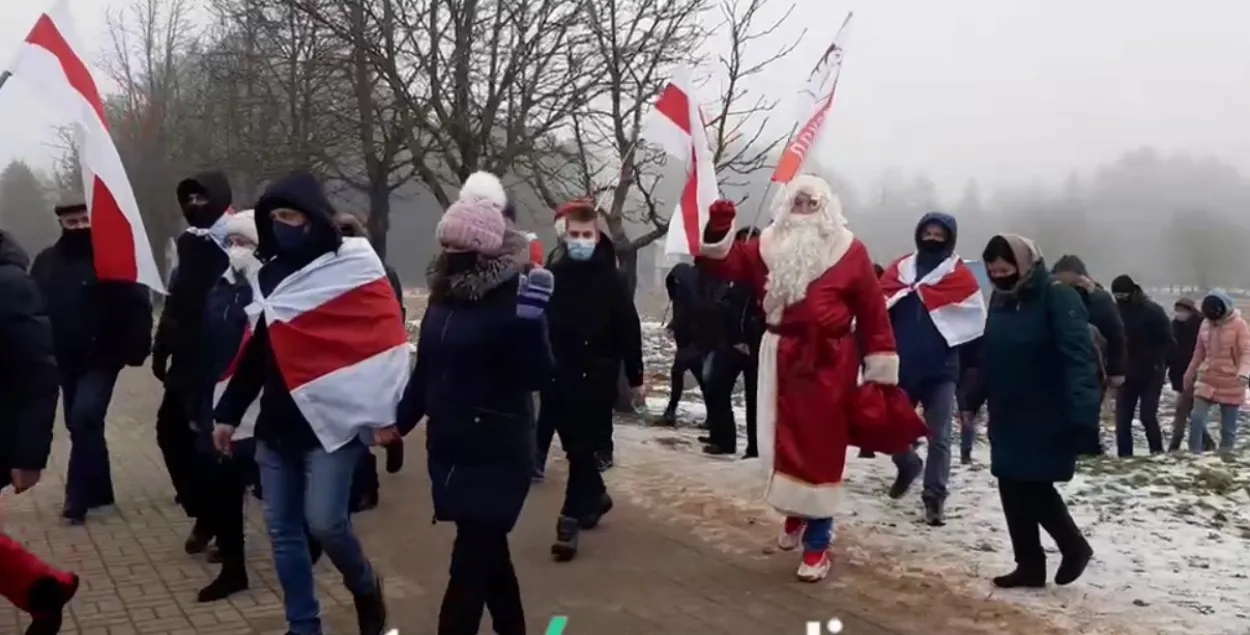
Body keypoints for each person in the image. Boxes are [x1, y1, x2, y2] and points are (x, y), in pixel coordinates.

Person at [213, 171, 402, 635]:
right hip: (277, 424)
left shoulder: (353, 265)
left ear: (313, 218)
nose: (281, 224)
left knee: (326, 523)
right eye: (273, 216)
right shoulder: (270, 274)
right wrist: (228, 414)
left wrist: (388, 414)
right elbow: (258, 350)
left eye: (289, 215)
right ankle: (304, 625)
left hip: (332, 423)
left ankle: (363, 585)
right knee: (281, 532)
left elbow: (382, 340)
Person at [696, 180, 902, 582]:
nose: (805, 208)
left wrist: (880, 367)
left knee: (820, 446)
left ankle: (818, 542)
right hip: (777, 354)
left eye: (813, 202)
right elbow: (721, 263)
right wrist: (720, 226)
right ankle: (795, 512)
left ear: (828, 208)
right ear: (785, 206)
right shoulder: (768, 244)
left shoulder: (850, 249)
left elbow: (874, 311)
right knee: (779, 439)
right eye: (798, 201)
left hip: (828, 361)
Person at [396, 179, 554, 635]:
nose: (450, 250)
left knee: (467, 569)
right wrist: (397, 425)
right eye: (445, 242)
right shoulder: (443, 300)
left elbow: (538, 377)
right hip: (452, 448)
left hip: (499, 451)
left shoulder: (516, 299)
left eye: (459, 243)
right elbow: (426, 370)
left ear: (484, 249)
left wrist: (531, 326)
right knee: (490, 559)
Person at [973, 234, 1098, 589]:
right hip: (1008, 407)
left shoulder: (1057, 296)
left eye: (1006, 267)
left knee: (1033, 484)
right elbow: (990, 353)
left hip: (1047, 407)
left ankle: (1074, 546)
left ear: (1026, 263)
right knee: (1010, 483)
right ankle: (1029, 564)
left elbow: (1079, 355)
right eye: (993, 270)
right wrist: (973, 397)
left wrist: (1084, 412)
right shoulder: (1001, 299)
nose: (1000, 275)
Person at [29, 203, 152, 524]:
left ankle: (77, 498)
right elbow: (34, 308)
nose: (80, 226)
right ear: (61, 223)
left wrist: (137, 345)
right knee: (80, 424)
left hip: (104, 356)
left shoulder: (111, 256)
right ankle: (102, 492)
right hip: (65, 358)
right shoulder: (46, 262)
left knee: (84, 417)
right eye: (72, 221)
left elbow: (137, 303)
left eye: (86, 220)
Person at [541, 200, 644, 562]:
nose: (580, 241)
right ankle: (596, 495)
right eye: (575, 235)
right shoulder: (552, 275)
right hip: (558, 373)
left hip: (597, 375)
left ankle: (568, 523)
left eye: (587, 235)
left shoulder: (612, 279)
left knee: (583, 448)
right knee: (573, 447)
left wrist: (635, 374)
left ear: (596, 236)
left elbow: (629, 329)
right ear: (565, 236)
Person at [879, 212, 986, 526]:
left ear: (950, 237)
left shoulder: (960, 275)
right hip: (901, 366)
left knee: (939, 436)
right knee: (890, 429)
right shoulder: (900, 270)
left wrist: (972, 373)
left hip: (942, 370)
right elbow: (878, 307)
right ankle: (908, 464)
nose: (933, 238)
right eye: (928, 232)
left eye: (940, 233)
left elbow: (973, 323)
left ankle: (934, 497)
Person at [0, 229, 81, 634]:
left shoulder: (9, 284)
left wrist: (29, 455)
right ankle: (44, 590)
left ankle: (44, 590)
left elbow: (38, 369)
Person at [153, 171, 233, 548]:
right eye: (188, 201)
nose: (194, 207)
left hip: (221, 359)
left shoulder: (237, 240)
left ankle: (222, 526)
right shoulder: (188, 244)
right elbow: (177, 298)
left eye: (202, 199)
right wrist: (162, 344)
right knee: (170, 433)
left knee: (213, 446)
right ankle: (203, 511)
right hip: (186, 359)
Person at [188, 210, 263, 603]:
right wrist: (198, 403)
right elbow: (204, 347)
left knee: (268, 483)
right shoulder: (219, 288)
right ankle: (233, 568)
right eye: (232, 242)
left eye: (245, 243)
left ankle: (311, 540)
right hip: (218, 403)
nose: (237, 250)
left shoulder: (267, 288)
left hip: (258, 405)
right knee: (222, 486)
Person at [333, 211, 405, 509]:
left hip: (370, 353)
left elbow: (395, 311)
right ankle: (362, 483)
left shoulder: (379, 270)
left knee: (361, 420)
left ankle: (367, 483)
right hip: (343, 354)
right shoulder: (328, 270)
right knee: (351, 422)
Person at [700, 227, 764, 457]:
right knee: (715, 387)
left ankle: (756, 448)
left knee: (755, 400)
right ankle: (723, 439)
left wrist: (749, 340)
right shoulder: (728, 277)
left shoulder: (763, 276)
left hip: (756, 347)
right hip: (730, 343)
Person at [1110, 274, 1173, 456]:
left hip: (1151, 372)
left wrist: (1158, 363)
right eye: (1117, 296)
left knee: (1147, 415)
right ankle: (1125, 456)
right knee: (1122, 419)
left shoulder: (1153, 311)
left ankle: (1157, 452)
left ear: (1132, 292)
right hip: (1125, 372)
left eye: (1123, 295)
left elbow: (1168, 340)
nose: (1120, 299)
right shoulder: (1115, 311)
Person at [1183, 289, 1250, 454]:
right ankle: (1194, 454)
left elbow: (1246, 352)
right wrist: (1190, 372)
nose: (1213, 321)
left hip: (1231, 381)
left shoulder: (1239, 325)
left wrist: (1243, 373)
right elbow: (1199, 352)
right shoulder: (1205, 324)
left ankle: (1225, 456)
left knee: (1228, 428)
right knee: (1196, 418)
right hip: (1208, 378)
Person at [660, 262, 712, 426]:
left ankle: (671, 411)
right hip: (690, 342)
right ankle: (713, 415)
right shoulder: (684, 290)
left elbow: (686, 315)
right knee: (701, 378)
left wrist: (674, 325)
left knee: (678, 372)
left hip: (692, 341)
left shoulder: (691, 292)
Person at [1167, 298, 1213, 451]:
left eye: (1182, 310)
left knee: (1183, 409)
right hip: (1180, 373)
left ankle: (1176, 443)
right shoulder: (1175, 326)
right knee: (1189, 411)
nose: (1179, 314)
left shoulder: (1201, 325)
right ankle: (1206, 441)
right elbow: (1172, 349)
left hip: (1197, 373)